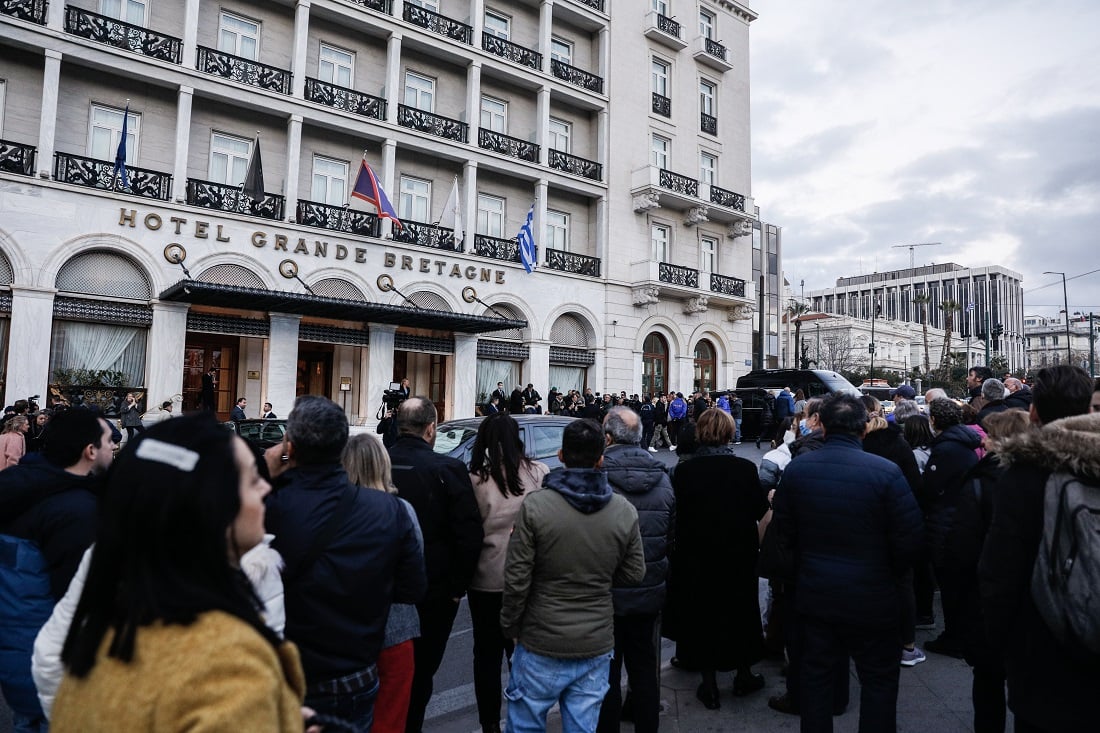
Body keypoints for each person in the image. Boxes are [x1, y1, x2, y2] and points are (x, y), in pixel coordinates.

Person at [49, 415, 316, 732]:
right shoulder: (230, 666)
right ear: (210, 507)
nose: (265, 487)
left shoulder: (104, 634)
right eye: (250, 480)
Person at [265, 396, 427, 731]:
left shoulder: (266, 508)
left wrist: (265, 472)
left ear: (290, 448)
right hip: (355, 670)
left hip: (285, 670)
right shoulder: (391, 511)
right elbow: (412, 588)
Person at [772, 393, 923, 732]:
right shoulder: (886, 473)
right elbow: (910, 539)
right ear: (864, 427)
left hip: (816, 597)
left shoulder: (799, 470)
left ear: (822, 425)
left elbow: (784, 536)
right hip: (873, 598)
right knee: (879, 684)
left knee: (817, 684)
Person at [501, 419, 645, 733]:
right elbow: (635, 573)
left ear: (561, 455)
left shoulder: (536, 506)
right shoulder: (622, 511)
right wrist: (600, 575)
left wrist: (511, 625)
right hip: (594, 640)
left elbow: (516, 578)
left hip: (541, 637)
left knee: (525, 724)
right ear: (601, 459)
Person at [979, 365, 1099, 733]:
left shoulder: (1024, 473)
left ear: (1033, 412)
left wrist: (994, 647)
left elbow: (1001, 575)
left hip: (1045, 650)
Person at [0, 410, 115, 732]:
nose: (113, 449)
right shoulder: (74, 511)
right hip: (53, 664)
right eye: (108, 442)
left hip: (17, 654)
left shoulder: (22, 488)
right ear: (90, 451)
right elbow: (80, 601)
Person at [387, 396, 484, 733]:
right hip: (434, 590)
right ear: (432, 429)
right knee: (422, 672)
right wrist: (458, 589)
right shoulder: (447, 469)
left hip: (380, 586)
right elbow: (469, 535)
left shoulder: (377, 462)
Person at [666, 409, 768, 710]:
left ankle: (708, 684)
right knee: (740, 610)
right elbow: (761, 512)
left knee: (703, 614)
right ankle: (743, 673)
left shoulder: (684, 472)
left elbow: (675, 515)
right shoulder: (745, 469)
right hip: (737, 552)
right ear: (728, 433)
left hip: (696, 554)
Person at [948, 409, 1031, 733]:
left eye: (990, 435)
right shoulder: (1044, 476)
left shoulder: (982, 481)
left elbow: (961, 551)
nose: (983, 439)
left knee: (988, 683)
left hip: (988, 598)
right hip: (1030, 601)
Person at [466, 414, 549, 733]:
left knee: (485, 654)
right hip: (527, 575)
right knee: (524, 653)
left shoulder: (474, 477)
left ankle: (489, 723)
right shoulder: (538, 472)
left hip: (485, 576)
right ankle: (525, 718)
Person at [596, 407, 675, 733]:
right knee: (644, 669)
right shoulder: (664, 480)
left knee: (607, 672)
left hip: (607, 594)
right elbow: (671, 536)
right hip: (648, 588)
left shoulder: (598, 479)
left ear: (609, 437)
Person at [342, 433, 425, 733]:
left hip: (341, 628)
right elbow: (416, 573)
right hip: (395, 626)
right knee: (390, 716)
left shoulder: (331, 511)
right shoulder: (402, 511)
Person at [860, 396, 925, 668]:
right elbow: (915, 488)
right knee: (901, 585)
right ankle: (906, 645)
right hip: (896, 525)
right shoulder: (898, 444)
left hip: (864, 527)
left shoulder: (858, 447)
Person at [922, 398, 981, 659]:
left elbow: (931, 487)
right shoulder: (962, 442)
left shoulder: (947, 448)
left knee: (951, 585)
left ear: (935, 420)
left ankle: (955, 636)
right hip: (957, 516)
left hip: (947, 521)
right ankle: (960, 633)